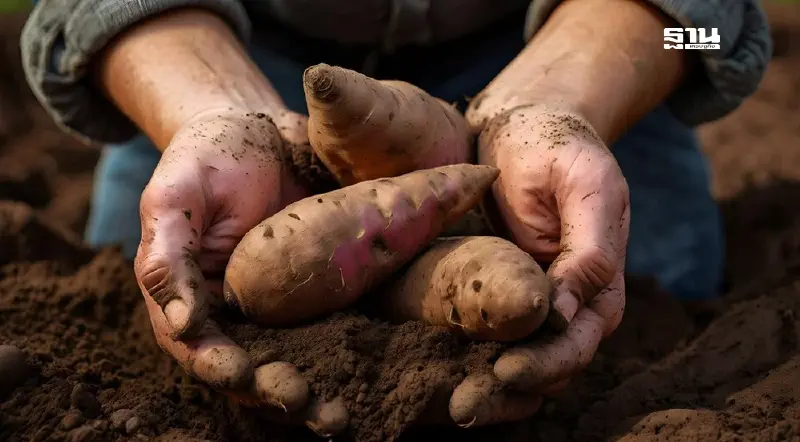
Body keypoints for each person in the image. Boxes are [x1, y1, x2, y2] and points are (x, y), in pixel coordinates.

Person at [20, 0, 771, 432]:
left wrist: (562, 102)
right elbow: (71, 8)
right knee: (148, 285)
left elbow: (712, 24)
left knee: (670, 291)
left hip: (586, 43)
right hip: (232, 50)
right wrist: (215, 110)